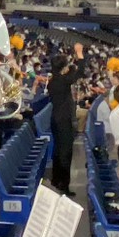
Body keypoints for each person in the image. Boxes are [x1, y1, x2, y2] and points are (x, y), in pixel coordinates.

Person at [45, 43, 84, 195]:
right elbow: (79, 71)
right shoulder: (62, 81)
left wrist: (70, 67)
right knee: (65, 152)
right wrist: (79, 53)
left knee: (58, 150)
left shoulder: (54, 80)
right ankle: (64, 184)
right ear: (63, 68)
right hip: (64, 121)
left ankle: (56, 179)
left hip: (55, 118)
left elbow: (73, 71)